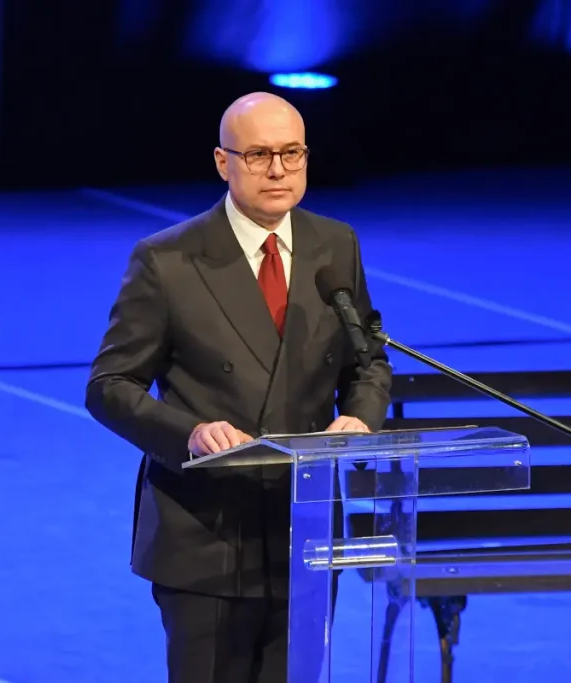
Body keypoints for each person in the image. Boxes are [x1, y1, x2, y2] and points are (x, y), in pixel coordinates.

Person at [84, 92, 393, 683]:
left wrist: (360, 417)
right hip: (207, 535)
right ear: (223, 162)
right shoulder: (168, 260)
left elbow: (369, 360)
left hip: (304, 530)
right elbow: (110, 385)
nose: (278, 170)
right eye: (258, 155)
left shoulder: (335, 245)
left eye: (291, 153)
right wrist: (190, 433)